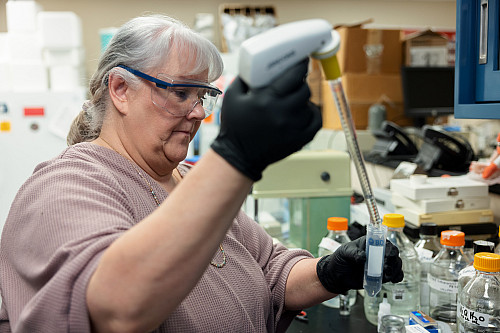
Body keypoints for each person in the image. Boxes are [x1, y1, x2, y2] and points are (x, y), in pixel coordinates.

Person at [0, 14, 403, 333]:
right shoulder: (65, 185)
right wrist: (234, 158)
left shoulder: (188, 178)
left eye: (204, 95)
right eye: (180, 93)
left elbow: (271, 267)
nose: (197, 112)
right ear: (121, 89)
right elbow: (117, 308)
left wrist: (329, 272)